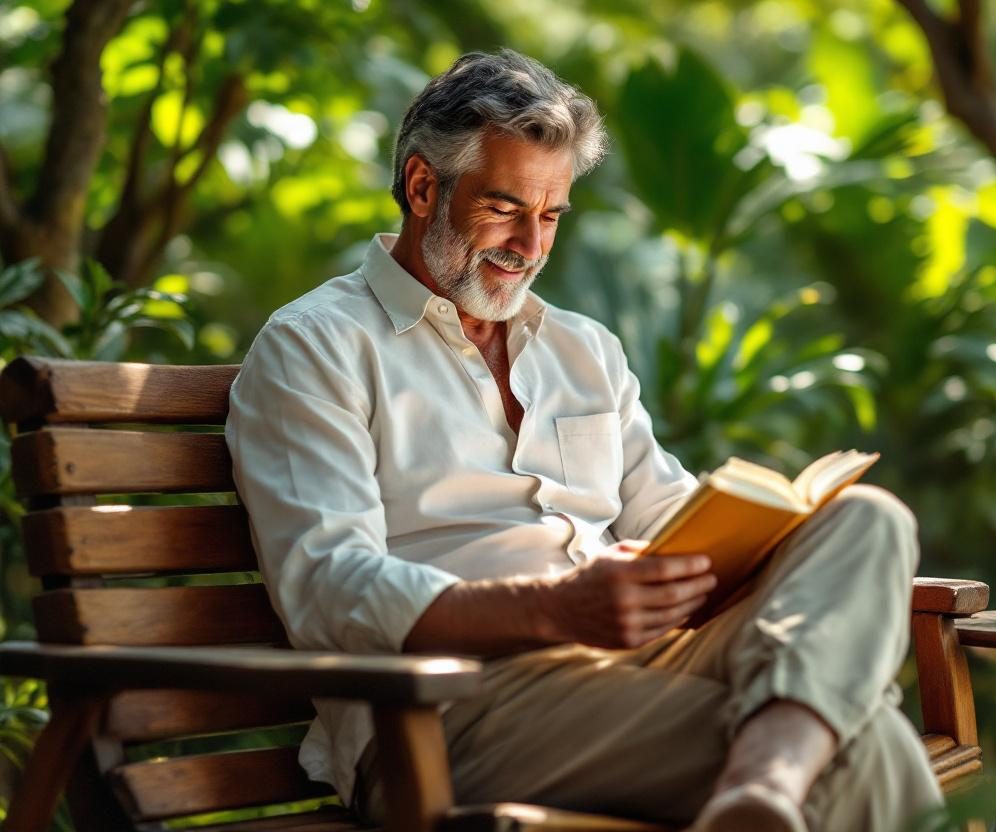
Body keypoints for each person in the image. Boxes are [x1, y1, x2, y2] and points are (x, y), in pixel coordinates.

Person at [225, 48, 942, 832]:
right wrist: (554, 608)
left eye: (552, 216)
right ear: (424, 186)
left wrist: (762, 542)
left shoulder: (582, 350)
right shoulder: (317, 346)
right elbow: (329, 588)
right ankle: (766, 783)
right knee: (866, 748)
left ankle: (764, 786)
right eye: (504, 208)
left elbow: (667, 514)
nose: (530, 246)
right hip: (446, 712)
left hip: (630, 673)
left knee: (868, 520)